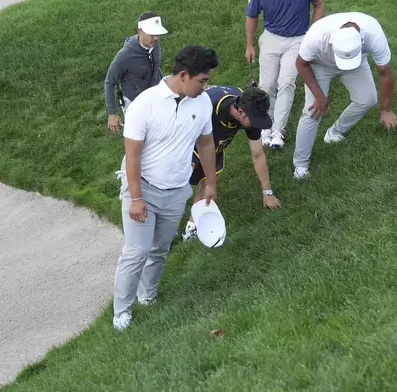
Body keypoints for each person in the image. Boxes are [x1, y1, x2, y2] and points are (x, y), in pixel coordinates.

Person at [112, 44, 220, 330]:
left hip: (177, 190)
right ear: (184, 75)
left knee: (159, 249)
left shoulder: (203, 102)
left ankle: (147, 296)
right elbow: (132, 154)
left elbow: (206, 142)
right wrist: (136, 198)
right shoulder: (144, 104)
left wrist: (211, 182)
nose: (205, 86)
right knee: (137, 252)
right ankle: (121, 312)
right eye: (202, 80)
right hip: (142, 189)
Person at [292, 11, 397, 179]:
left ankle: (334, 133)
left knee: (368, 99)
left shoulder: (373, 33)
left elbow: (385, 72)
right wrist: (319, 95)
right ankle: (300, 165)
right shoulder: (317, 35)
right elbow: (301, 63)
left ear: (361, 39)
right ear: (332, 43)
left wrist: (386, 109)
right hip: (320, 65)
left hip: (357, 62)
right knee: (312, 111)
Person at [182, 85, 282, 241]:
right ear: (240, 112)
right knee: (177, 188)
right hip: (186, 141)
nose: (256, 124)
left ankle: (191, 228)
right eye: (254, 120)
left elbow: (258, 154)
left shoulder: (248, 114)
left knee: (209, 180)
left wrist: (267, 193)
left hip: (214, 145)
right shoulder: (208, 106)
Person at [245, 0, 325, 149]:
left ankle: (277, 131)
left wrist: (312, 35)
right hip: (271, 38)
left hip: (297, 40)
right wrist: (249, 45)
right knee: (267, 85)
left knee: (286, 83)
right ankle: (265, 126)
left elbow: (319, 4)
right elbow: (252, 15)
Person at [104, 11, 168, 134]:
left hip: (156, 96)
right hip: (135, 102)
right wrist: (112, 114)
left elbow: (155, 68)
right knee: (138, 140)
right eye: (151, 34)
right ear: (140, 30)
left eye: (157, 34)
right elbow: (109, 82)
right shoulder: (124, 56)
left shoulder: (155, 44)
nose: (155, 38)